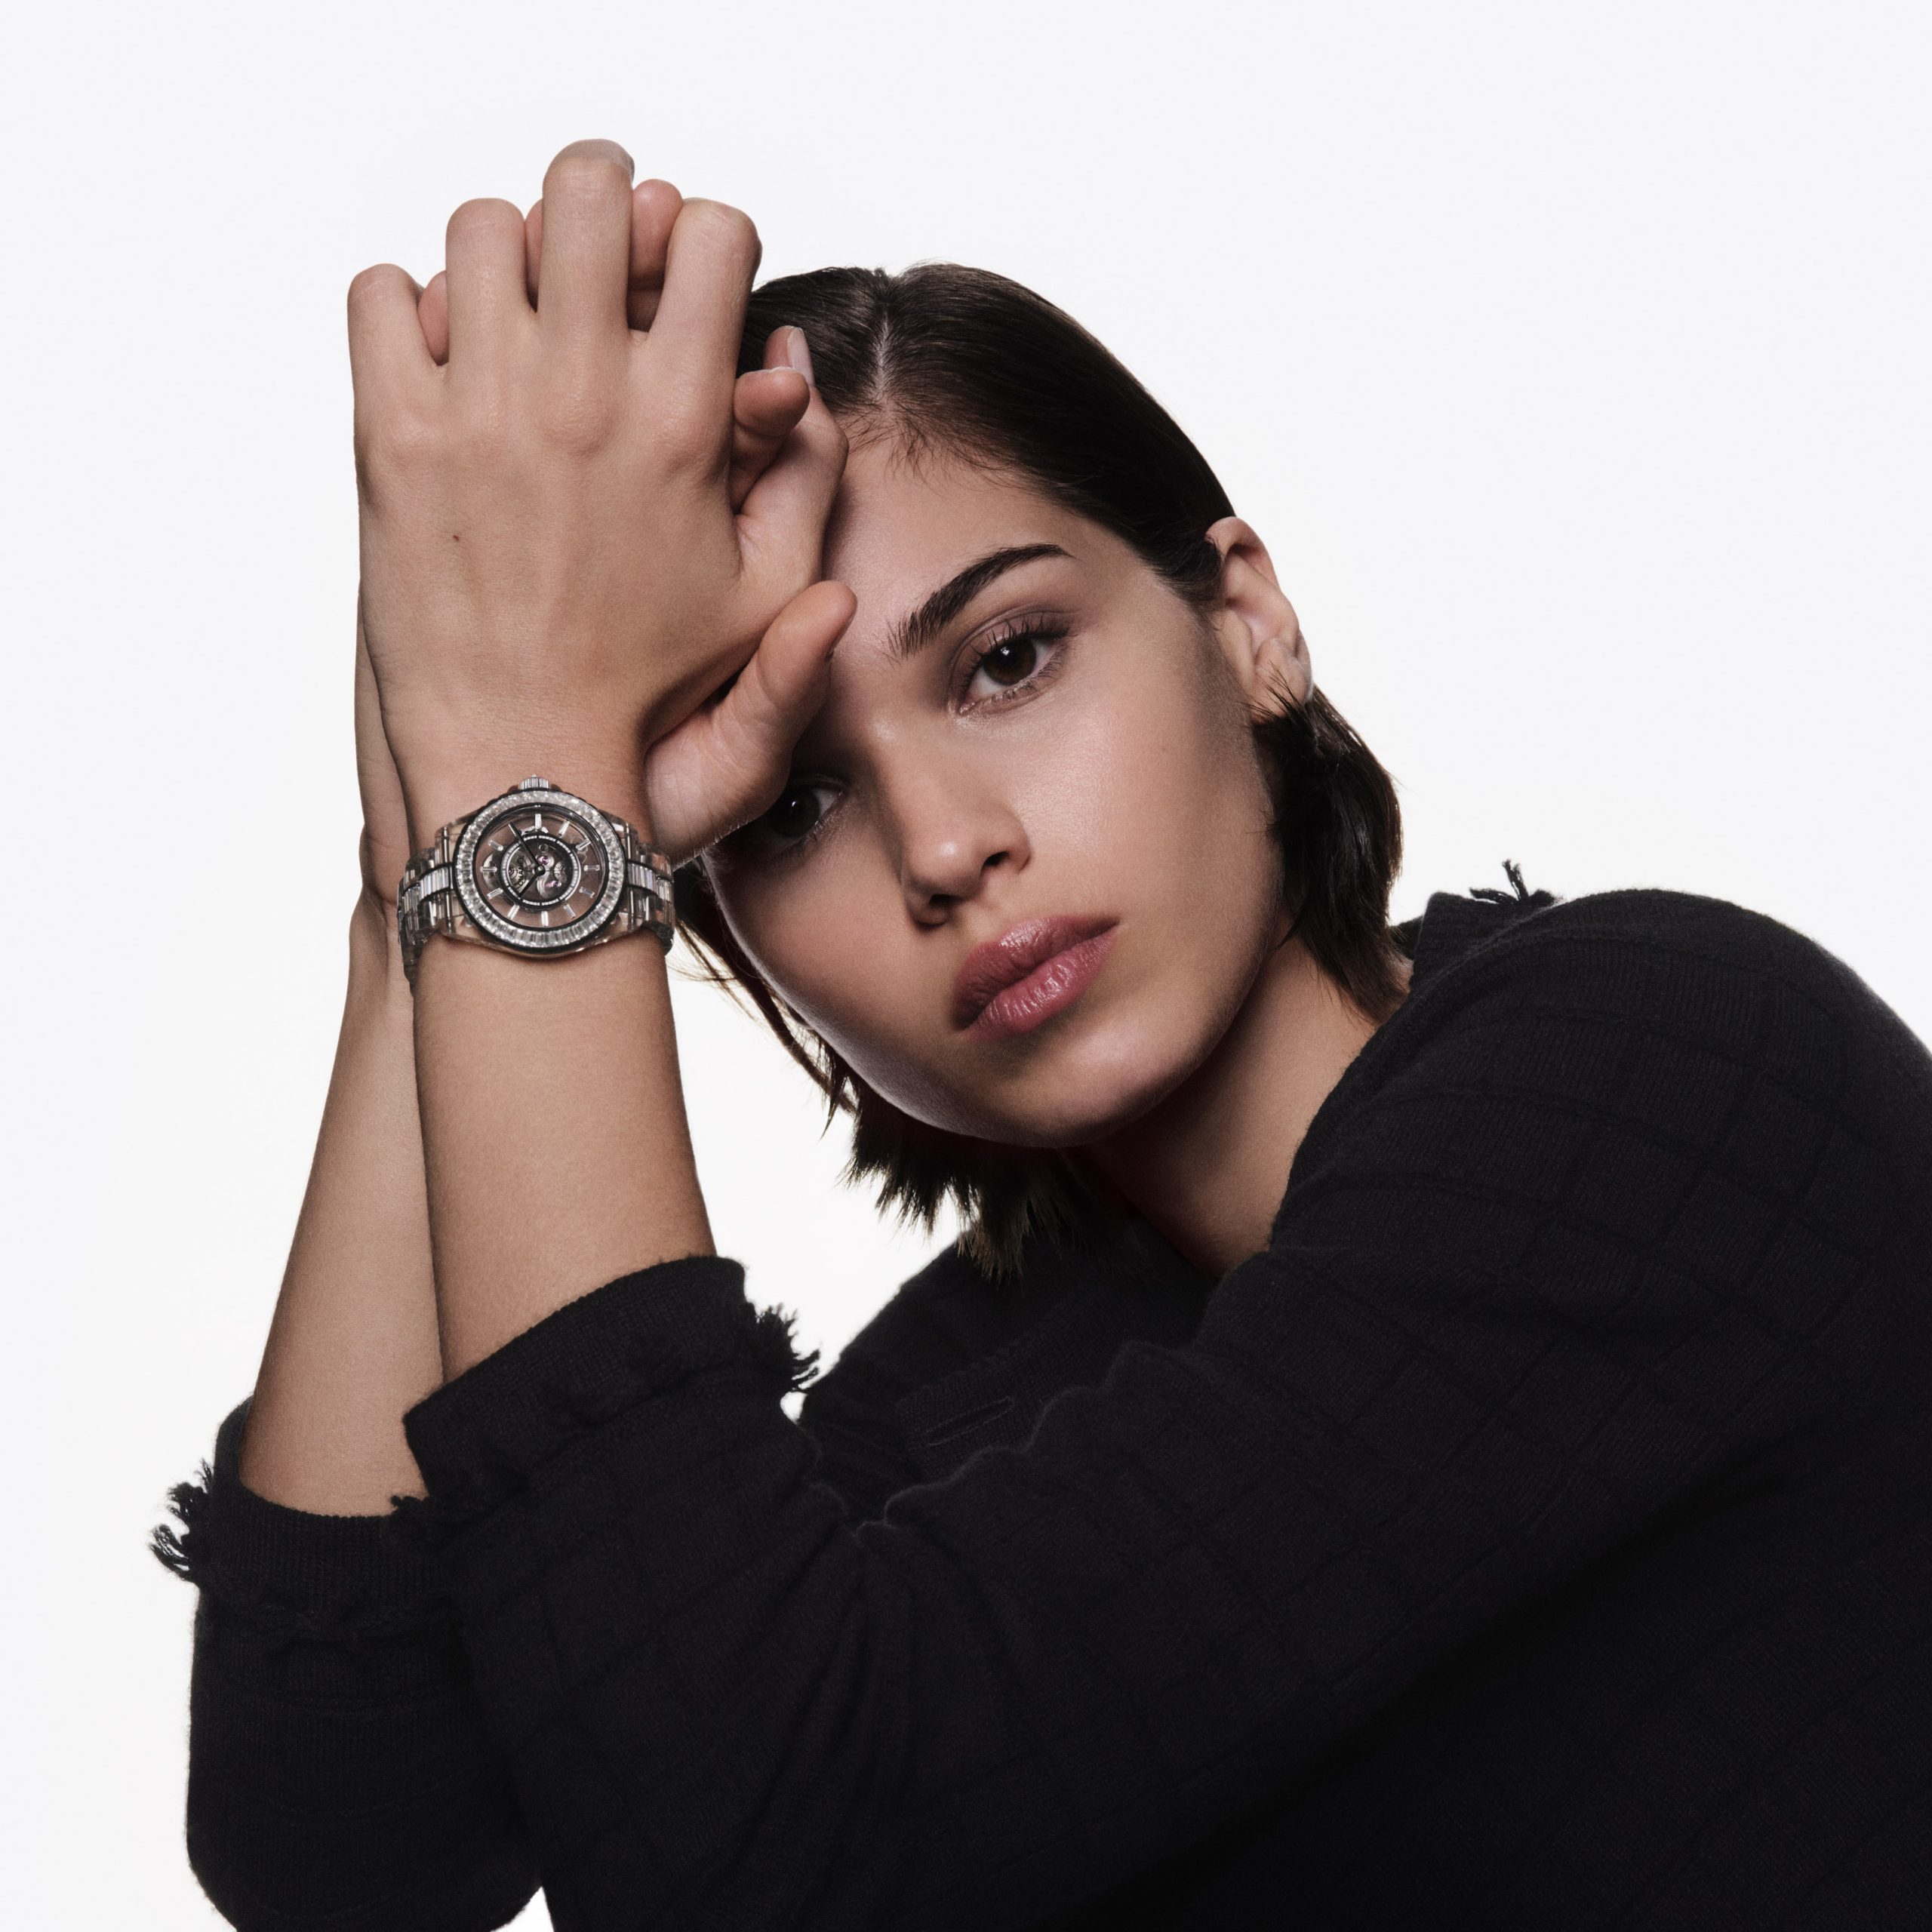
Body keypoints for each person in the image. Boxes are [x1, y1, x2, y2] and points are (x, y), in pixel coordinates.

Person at [151, 140, 1932, 1930]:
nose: (942, 847)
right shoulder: (961, 1406)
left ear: (1245, 621)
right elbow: (346, 1849)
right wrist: (435, 850)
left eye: (1005, 658)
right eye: (791, 804)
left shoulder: (1660, 1078)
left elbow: (778, 1854)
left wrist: (521, 777)